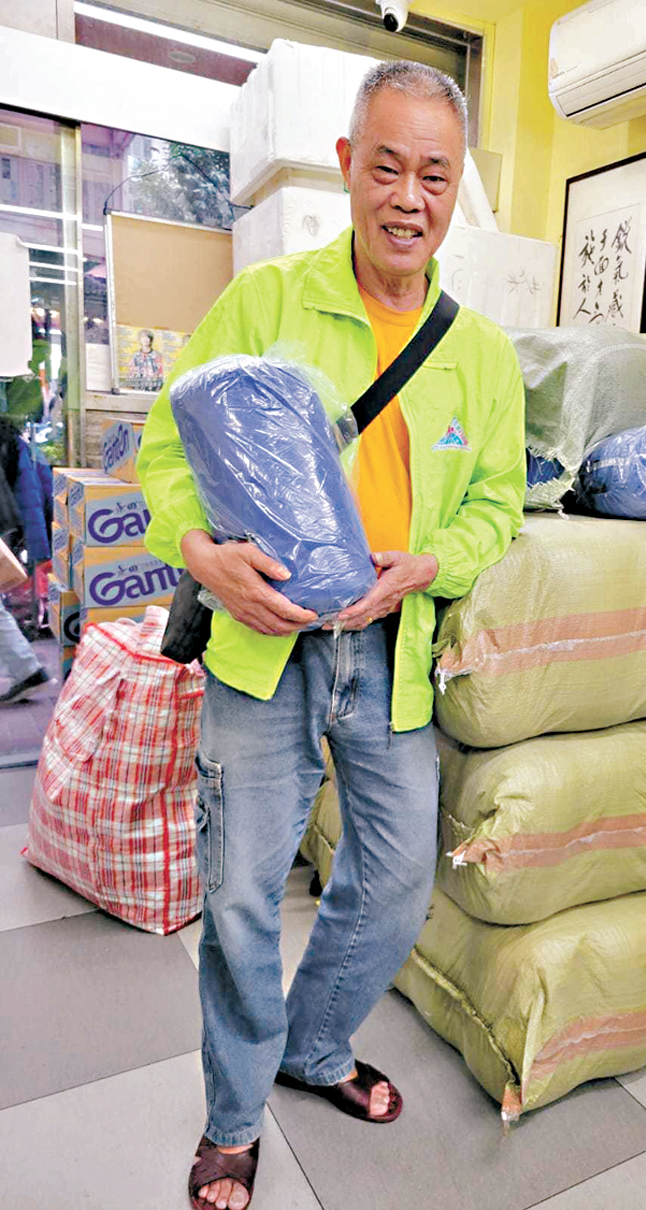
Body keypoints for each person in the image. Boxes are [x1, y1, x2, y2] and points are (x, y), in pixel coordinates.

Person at [137, 60, 525, 1210]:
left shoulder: (479, 354)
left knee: (396, 880)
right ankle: (233, 1117)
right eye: (387, 166)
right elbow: (163, 451)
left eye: (434, 175)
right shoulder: (266, 302)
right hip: (264, 646)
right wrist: (202, 553)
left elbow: (497, 504)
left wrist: (431, 564)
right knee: (241, 892)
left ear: (457, 187)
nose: (409, 197)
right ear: (349, 167)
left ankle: (312, 1044)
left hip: (392, 652)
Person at [0, 417, 50, 702]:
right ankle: (27, 670)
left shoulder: (15, 446)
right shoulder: (15, 443)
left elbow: (31, 497)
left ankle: (27, 670)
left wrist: (38, 546)